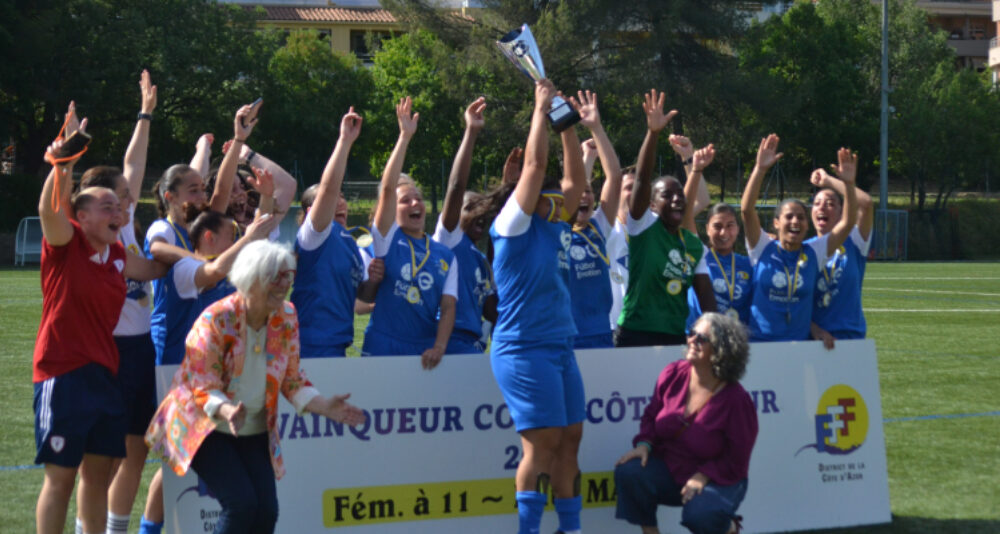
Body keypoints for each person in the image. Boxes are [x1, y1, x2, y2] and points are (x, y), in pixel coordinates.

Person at [144, 241, 366, 534]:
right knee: (240, 504)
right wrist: (226, 409)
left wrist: (323, 405)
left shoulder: (287, 316)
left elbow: (291, 378)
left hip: (250, 427)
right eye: (276, 276)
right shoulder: (216, 318)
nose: (284, 284)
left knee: (266, 512)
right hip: (203, 424)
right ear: (251, 277)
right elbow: (200, 383)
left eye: (288, 275)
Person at [33, 107, 165, 534]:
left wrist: (210, 256)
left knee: (97, 477)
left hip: (105, 376)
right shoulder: (65, 245)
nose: (119, 211)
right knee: (61, 478)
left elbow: (157, 268)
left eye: (119, 206)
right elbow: (50, 210)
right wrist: (64, 162)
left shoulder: (117, 256)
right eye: (107, 205)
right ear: (82, 217)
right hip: (63, 374)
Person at [139, 99, 263, 534]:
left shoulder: (198, 229)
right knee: (179, 456)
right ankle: (148, 529)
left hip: (207, 358)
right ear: (169, 197)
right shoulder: (164, 229)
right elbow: (161, 252)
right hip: (174, 355)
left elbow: (222, 191)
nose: (202, 196)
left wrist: (238, 140)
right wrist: (202, 258)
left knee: (192, 456)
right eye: (192, 190)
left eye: (201, 189)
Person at [488, 79, 587, 534]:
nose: (562, 202)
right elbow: (535, 165)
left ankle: (571, 529)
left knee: (570, 440)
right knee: (542, 444)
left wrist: (567, 123)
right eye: (551, 197)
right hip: (524, 348)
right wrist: (540, 110)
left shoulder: (556, 224)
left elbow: (577, 182)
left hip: (560, 346)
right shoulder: (511, 226)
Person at [68, 70, 160, 534]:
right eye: (121, 196)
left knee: (137, 449)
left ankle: (116, 528)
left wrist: (146, 114)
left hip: (142, 349)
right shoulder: (94, 234)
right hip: (110, 353)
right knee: (101, 459)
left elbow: (135, 166)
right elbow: (132, 166)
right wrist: (142, 114)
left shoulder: (125, 227)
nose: (129, 200)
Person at [614, 312, 757, 534]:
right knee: (630, 472)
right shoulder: (673, 373)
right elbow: (651, 415)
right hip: (672, 468)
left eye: (702, 338)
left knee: (701, 516)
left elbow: (737, 459)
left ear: (721, 350)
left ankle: (729, 527)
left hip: (720, 478)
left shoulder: (737, 400)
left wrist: (703, 475)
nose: (692, 340)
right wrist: (644, 445)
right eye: (691, 333)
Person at [361, 97, 457, 369]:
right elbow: (387, 189)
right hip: (382, 344)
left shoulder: (445, 255)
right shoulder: (387, 239)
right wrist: (404, 137)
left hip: (423, 347)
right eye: (406, 201)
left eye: (419, 198)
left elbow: (448, 307)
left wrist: (439, 346)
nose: (415, 203)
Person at [616, 90, 716, 347]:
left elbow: (707, 302)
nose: (676, 199)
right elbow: (641, 179)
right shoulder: (642, 226)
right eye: (667, 195)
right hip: (634, 335)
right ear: (652, 204)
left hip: (675, 338)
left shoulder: (693, 245)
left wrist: (716, 337)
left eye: (679, 195)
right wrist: (653, 133)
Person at [739, 135, 858, 341]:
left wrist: (848, 184)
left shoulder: (814, 252)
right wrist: (760, 169)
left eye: (801, 217)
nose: (795, 221)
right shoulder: (762, 247)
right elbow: (747, 210)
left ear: (807, 224)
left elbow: (847, 222)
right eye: (789, 217)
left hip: (799, 347)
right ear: (776, 223)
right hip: (761, 344)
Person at [290, 107, 384, 357]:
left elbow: (360, 297)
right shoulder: (315, 235)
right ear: (311, 211)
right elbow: (329, 188)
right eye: (334, 198)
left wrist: (372, 282)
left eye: (342, 197)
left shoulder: (349, 242)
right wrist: (345, 141)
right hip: (309, 345)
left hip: (338, 345)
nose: (340, 201)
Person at [432, 97, 498, 354]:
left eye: (483, 209)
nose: (479, 213)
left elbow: (492, 311)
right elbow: (457, 186)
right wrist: (471, 132)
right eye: (471, 207)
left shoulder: (479, 259)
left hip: (473, 345)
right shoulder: (449, 239)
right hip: (447, 341)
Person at [566, 91, 622, 348]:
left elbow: (615, 178)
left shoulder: (598, 227)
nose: (585, 196)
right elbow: (573, 186)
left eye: (589, 192)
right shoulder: (558, 230)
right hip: (566, 335)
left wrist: (597, 128)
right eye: (580, 192)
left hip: (601, 333)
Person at [680, 145, 754, 329]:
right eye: (717, 226)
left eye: (730, 226)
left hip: (736, 338)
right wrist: (695, 169)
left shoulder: (748, 263)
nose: (724, 233)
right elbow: (685, 212)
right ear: (707, 229)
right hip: (700, 336)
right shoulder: (699, 255)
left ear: (738, 229)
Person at [807, 166, 875, 345]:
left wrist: (829, 181)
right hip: (814, 340)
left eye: (830, 204)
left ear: (841, 212)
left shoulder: (853, 240)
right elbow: (795, 303)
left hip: (850, 338)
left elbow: (866, 204)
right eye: (816, 203)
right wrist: (814, 329)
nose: (822, 207)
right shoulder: (805, 250)